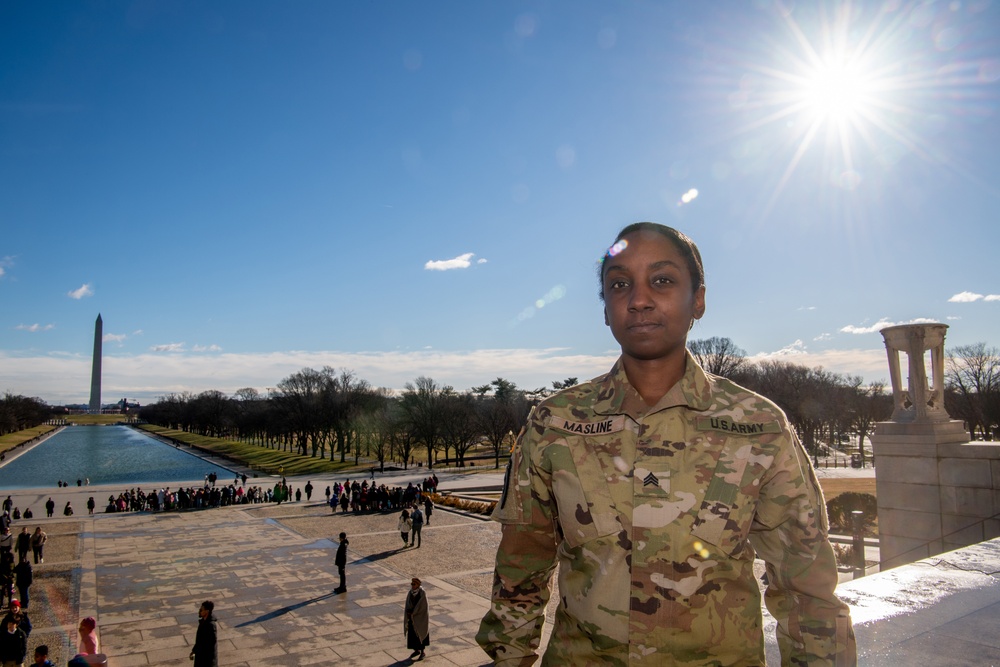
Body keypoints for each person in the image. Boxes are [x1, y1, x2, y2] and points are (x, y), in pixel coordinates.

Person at [476, 222, 856, 665]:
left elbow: (807, 591)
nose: (638, 299)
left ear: (698, 300)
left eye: (662, 280)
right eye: (619, 285)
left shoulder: (760, 426)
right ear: (605, 310)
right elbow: (521, 572)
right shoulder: (554, 423)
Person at [404, 578, 429, 661]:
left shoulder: (422, 593)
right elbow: (408, 602)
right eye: (412, 584)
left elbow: (423, 606)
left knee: (420, 634)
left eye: (414, 584)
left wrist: (414, 612)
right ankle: (416, 650)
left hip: (420, 618)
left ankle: (422, 652)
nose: (412, 586)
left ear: (418, 585)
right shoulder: (410, 593)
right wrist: (409, 611)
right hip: (412, 618)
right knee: (412, 635)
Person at [189, 600, 217, 667]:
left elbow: (211, 644)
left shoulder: (211, 625)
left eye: (201, 610)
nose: (199, 611)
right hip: (201, 657)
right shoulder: (203, 621)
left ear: (207, 611)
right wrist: (194, 651)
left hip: (206, 661)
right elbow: (200, 640)